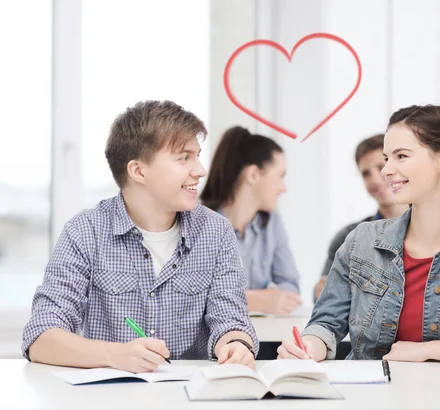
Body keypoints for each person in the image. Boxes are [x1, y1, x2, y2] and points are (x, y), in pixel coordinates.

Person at [277, 104, 440, 366]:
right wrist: (309, 346)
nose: (386, 170)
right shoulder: (362, 241)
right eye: (387, 158)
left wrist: (427, 350)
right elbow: (325, 324)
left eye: (401, 156)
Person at [22, 101, 258, 372]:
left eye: (197, 156)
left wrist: (236, 345)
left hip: (189, 396)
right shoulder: (85, 231)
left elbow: (231, 320)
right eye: (184, 157)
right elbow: (41, 337)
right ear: (138, 171)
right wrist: (114, 355)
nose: (200, 170)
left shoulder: (215, 231)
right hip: (110, 396)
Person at [200, 126, 301, 315]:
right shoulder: (199, 223)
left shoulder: (273, 224)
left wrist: (274, 298)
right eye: (280, 176)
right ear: (254, 174)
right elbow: (191, 296)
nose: (283, 188)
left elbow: (290, 285)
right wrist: (254, 300)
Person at [314, 134, 409, 301]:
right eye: (366, 173)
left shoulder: (432, 230)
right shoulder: (349, 237)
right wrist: (322, 290)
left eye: (381, 167)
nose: (375, 180)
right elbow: (323, 300)